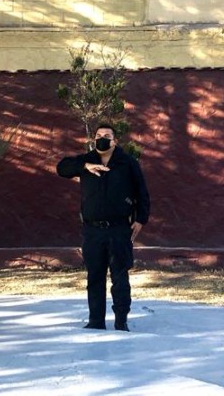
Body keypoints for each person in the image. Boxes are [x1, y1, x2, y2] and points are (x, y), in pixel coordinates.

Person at [56, 122, 150, 332]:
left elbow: (141, 192)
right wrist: (84, 168)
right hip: (92, 230)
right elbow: (61, 168)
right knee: (95, 276)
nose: (102, 138)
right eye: (98, 135)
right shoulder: (86, 160)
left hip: (119, 229)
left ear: (114, 140)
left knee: (120, 276)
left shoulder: (127, 162)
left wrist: (140, 219)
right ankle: (96, 321)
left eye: (106, 135)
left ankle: (121, 321)